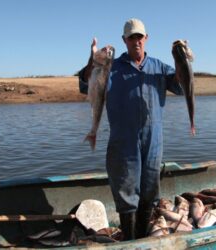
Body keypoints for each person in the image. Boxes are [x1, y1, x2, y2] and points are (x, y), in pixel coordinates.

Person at [78, 18, 184, 240]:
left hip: (154, 140)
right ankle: (130, 240)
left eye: (139, 36)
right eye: (131, 37)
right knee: (126, 191)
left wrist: (180, 58)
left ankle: (142, 239)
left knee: (149, 191)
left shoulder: (159, 67)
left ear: (146, 38)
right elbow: (85, 84)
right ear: (124, 40)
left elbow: (181, 86)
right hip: (123, 141)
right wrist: (93, 59)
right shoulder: (110, 66)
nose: (136, 41)